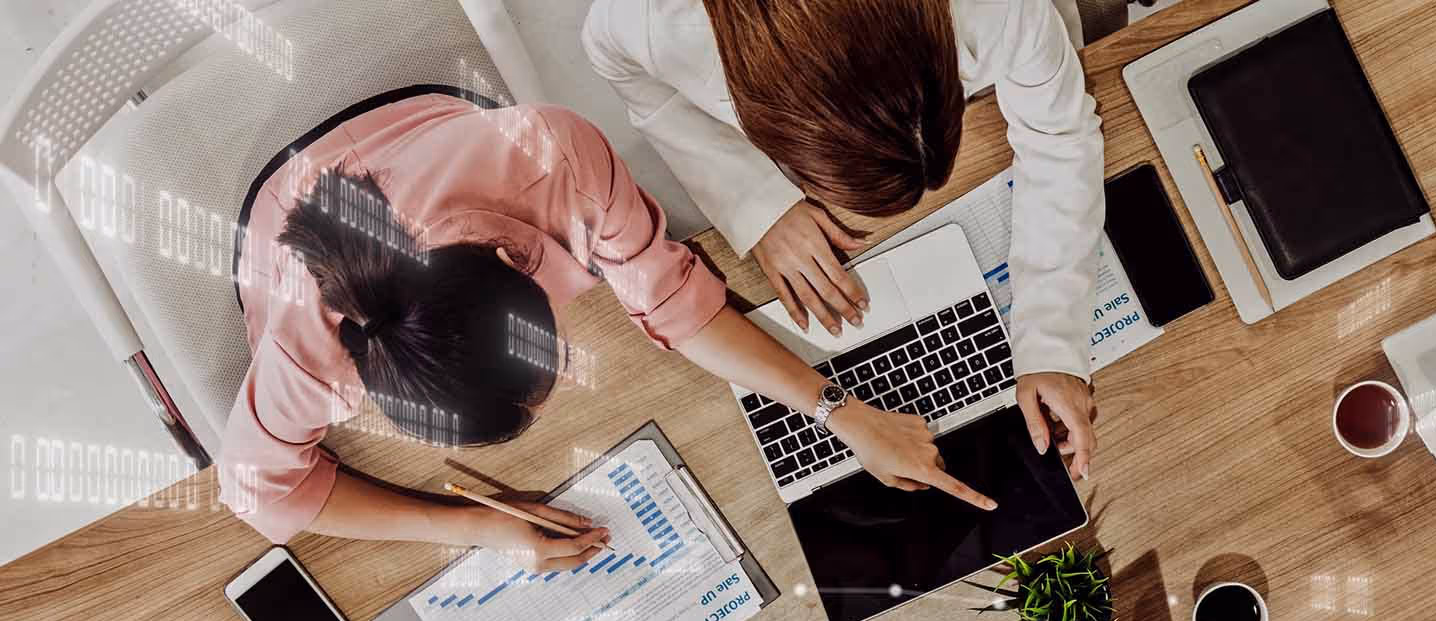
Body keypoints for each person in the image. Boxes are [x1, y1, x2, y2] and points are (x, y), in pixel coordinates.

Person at [220, 92, 996, 560]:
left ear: (510, 258)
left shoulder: (553, 151)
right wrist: (474, 528)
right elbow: (256, 494)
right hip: (285, 210)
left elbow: (675, 306)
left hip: (432, 127)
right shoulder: (305, 343)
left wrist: (843, 413)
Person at [582, 0, 1103, 479]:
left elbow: (1058, 136)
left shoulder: (994, 10)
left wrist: (1054, 345)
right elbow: (616, 61)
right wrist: (756, 202)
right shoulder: (651, 20)